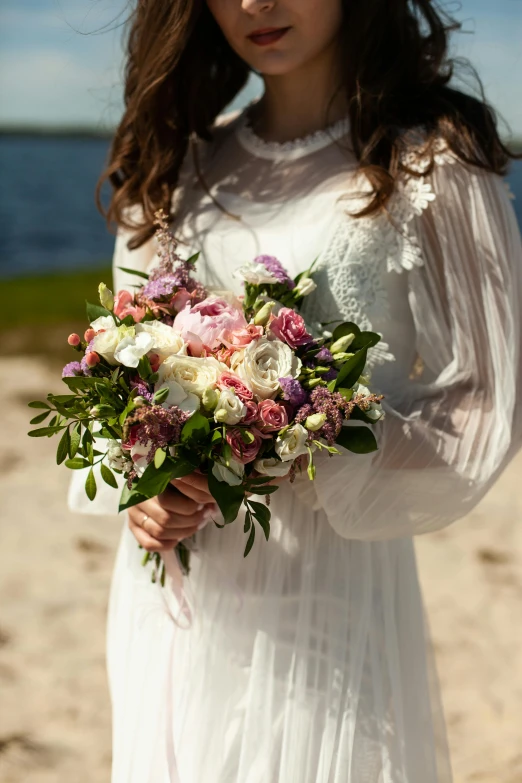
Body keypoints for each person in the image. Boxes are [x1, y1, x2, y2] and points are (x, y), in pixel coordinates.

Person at [69, 1, 522, 781]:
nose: (255, 3)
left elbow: (484, 404)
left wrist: (309, 444)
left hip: (327, 585)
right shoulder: (173, 160)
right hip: (173, 594)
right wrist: (136, 484)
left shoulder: (430, 164)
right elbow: (117, 373)